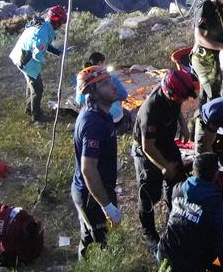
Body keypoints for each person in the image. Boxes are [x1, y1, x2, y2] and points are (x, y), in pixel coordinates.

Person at [158, 153, 223, 272]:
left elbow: (189, 218)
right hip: (190, 270)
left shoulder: (178, 188)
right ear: (216, 175)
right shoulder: (218, 205)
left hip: (164, 258)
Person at [133, 68, 200, 253]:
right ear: (169, 94)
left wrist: (183, 124)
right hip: (148, 149)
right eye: (180, 98)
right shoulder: (151, 110)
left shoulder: (174, 92)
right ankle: (149, 234)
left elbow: (177, 106)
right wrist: (164, 166)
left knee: (177, 181)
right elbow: (148, 148)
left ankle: (176, 222)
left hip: (166, 141)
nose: (183, 101)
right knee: (148, 194)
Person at [71, 66, 123, 258]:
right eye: (104, 84)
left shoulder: (102, 114)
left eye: (110, 80)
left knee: (89, 237)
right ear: (92, 92)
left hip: (96, 191)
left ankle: (85, 271)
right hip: (91, 196)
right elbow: (88, 169)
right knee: (103, 245)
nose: (113, 87)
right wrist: (106, 206)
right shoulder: (92, 123)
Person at [9, 5, 68, 122]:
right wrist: (42, 60)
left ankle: (29, 109)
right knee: (38, 88)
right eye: (61, 23)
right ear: (57, 23)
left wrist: (58, 52)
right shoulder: (43, 33)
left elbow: (45, 45)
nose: (60, 26)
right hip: (26, 60)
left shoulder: (43, 25)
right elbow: (38, 51)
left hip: (19, 55)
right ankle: (37, 116)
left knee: (31, 84)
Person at [76, 52, 129, 128]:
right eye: (105, 63)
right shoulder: (109, 76)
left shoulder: (82, 78)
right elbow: (124, 95)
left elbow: (79, 101)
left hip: (91, 115)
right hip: (113, 117)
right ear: (100, 63)